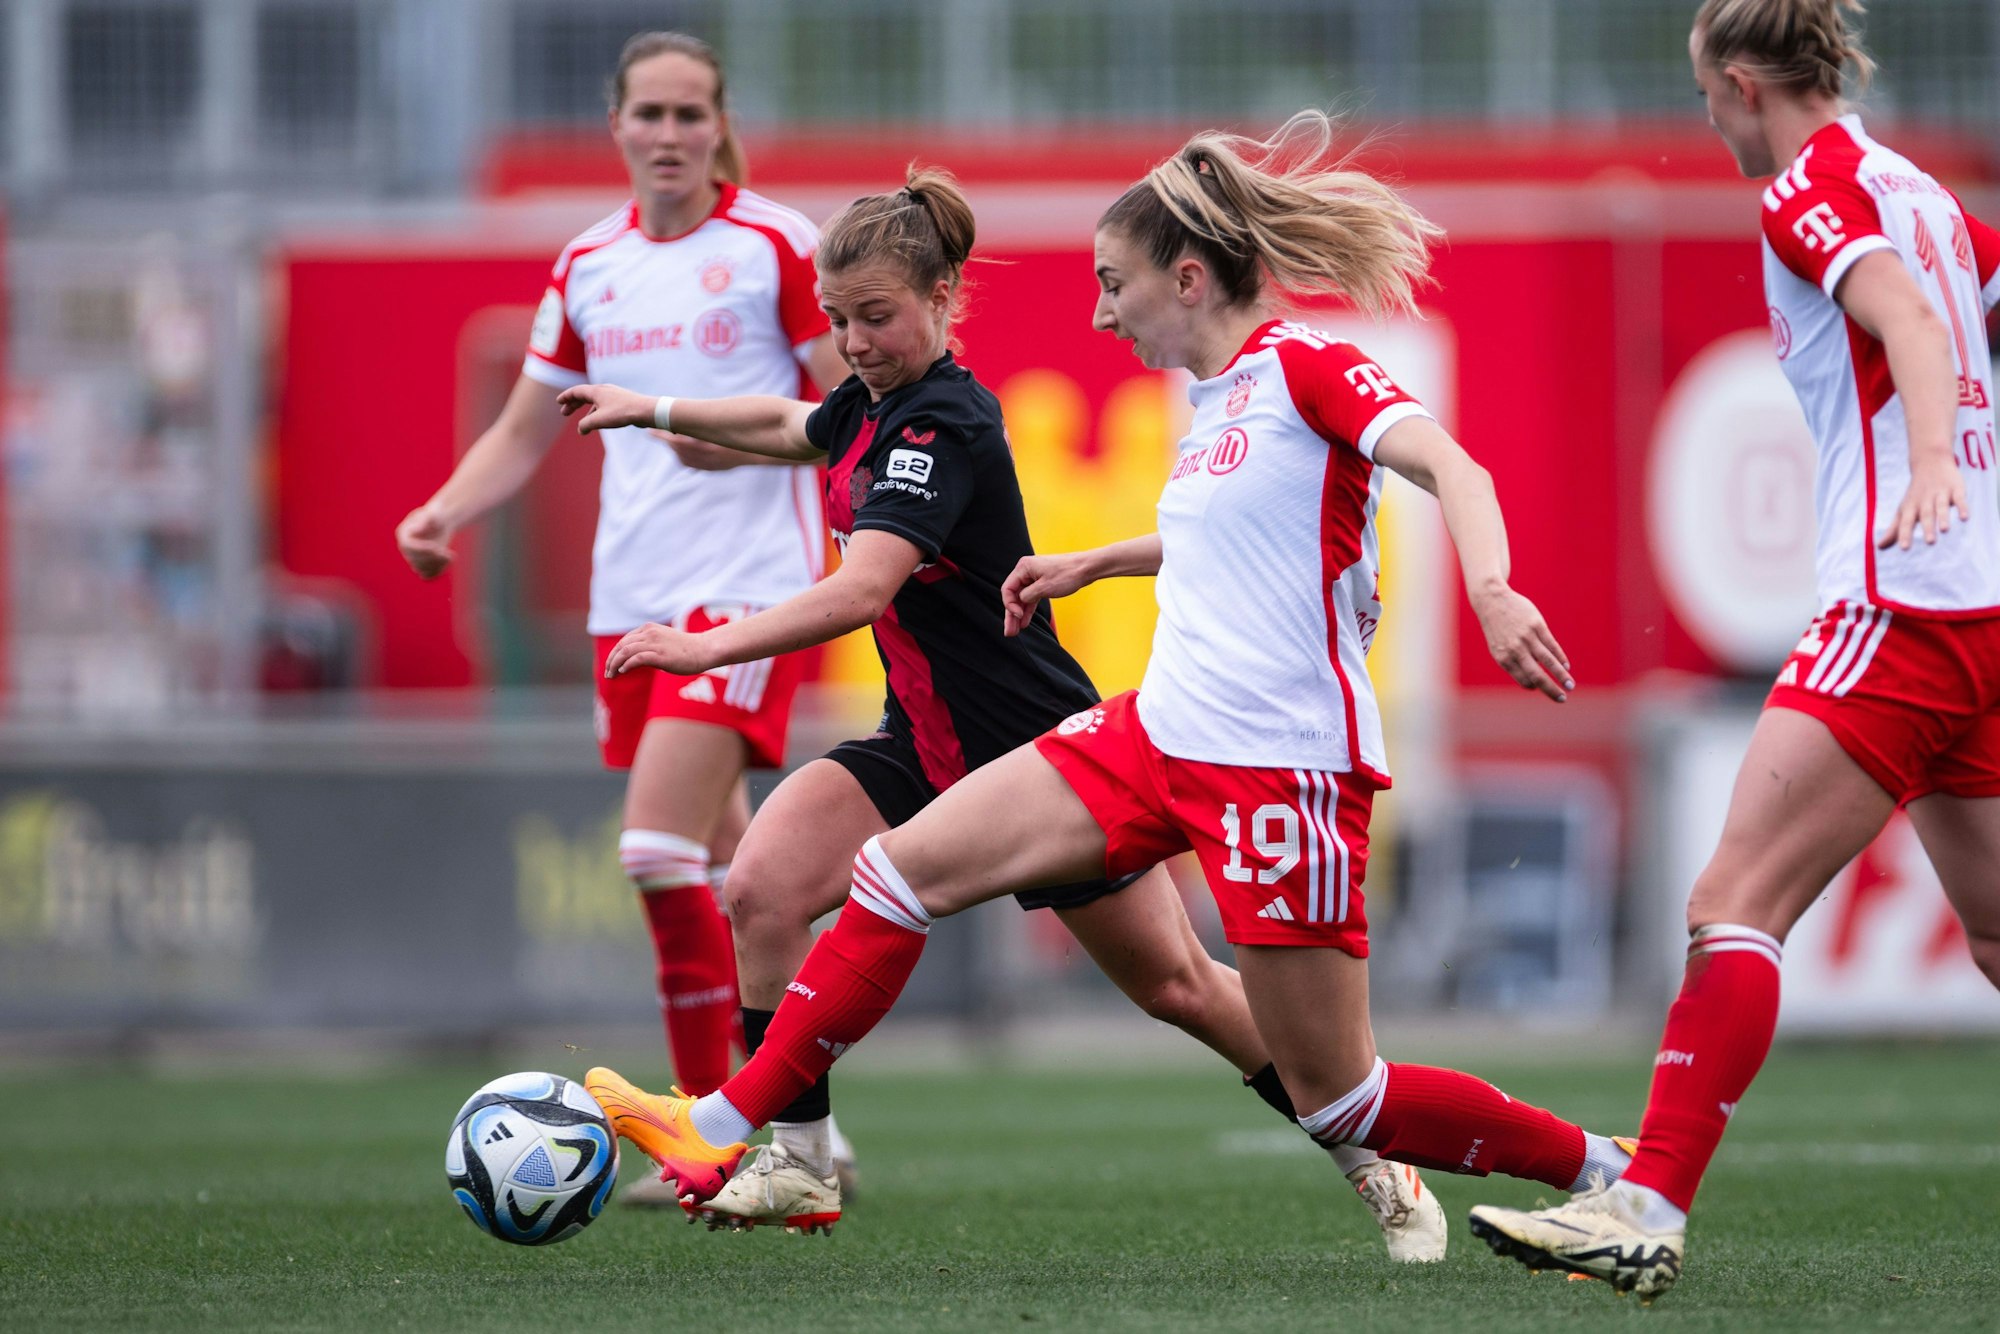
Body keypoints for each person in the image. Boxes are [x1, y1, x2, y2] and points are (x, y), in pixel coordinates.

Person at [573, 113, 1640, 1242]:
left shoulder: (1275, 369)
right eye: (837, 319)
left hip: (1244, 756)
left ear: (1182, 276)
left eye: (1110, 283)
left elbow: (1448, 463)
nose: (1095, 310)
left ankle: (1550, 1167)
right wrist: (657, 408)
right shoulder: (1210, 398)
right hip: (1125, 733)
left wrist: (1492, 587)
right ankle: (764, 1136)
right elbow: (1227, 532)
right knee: (818, 880)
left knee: (1247, 1028)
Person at [1469, 0, 2000, 1302]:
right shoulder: (1921, 186)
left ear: (1750, 83)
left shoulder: (1813, 188)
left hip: (1899, 600)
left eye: (1709, 94)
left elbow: (1917, 331)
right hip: (1982, 609)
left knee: (1730, 903)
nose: (1707, 120)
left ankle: (1643, 1203)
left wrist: (1930, 457)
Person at [393, 33, 850, 1134]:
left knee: (654, 849)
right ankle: (808, 1122)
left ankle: (701, 1120)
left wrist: (731, 445)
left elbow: (850, 421)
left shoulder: (776, 245)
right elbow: (520, 424)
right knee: (745, 871)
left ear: (719, 123)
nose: (668, 134)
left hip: (747, 592)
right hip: (629, 597)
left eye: (689, 114)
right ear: (616, 126)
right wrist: (447, 508)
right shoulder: (585, 264)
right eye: (648, 113)